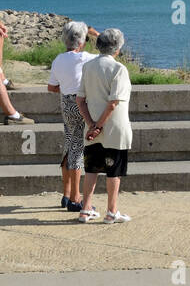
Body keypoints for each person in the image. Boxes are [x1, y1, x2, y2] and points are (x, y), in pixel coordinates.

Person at [77, 28, 132, 223]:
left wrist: (92, 125)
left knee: (91, 169)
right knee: (113, 170)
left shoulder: (88, 67)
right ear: (117, 48)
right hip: (114, 128)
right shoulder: (119, 69)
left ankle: (85, 209)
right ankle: (112, 211)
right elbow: (113, 103)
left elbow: (80, 100)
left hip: (91, 127)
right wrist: (100, 126)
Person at [47, 20, 101, 212]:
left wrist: (67, 86)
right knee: (78, 149)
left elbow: (52, 87)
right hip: (81, 104)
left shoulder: (58, 59)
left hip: (65, 104)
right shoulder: (87, 58)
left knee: (70, 144)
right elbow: (109, 52)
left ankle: (66, 193)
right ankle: (76, 198)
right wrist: (96, 34)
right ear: (82, 41)